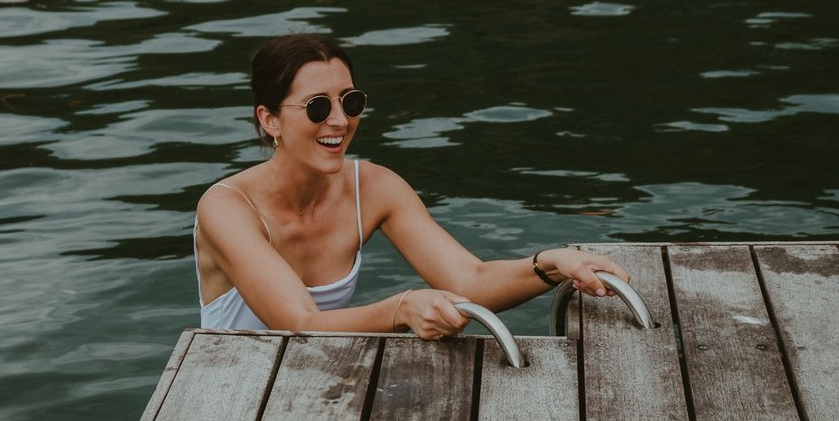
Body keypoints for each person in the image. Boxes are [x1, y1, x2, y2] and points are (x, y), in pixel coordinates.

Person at [193, 33, 630, 339]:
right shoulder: (227, 208)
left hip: (317, 376)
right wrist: (402, 309)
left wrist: (553, 264)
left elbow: (470, 280)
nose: (340, 121)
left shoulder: (374, 187)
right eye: (317, 107)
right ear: (270, 119)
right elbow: (297, 321)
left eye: (351, 102)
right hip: (230, 391)